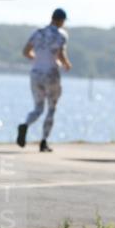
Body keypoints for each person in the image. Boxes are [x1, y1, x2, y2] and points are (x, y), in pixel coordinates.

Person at [17, 8, 71, 152]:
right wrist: (66, 64)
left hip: (36, 73)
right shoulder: (61, 35)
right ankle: (44, 141)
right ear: (61, 21)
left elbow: (25, 51)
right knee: (51, 108)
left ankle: (25, 124)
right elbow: (61, 54)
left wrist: (36, 59)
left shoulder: (38, 32)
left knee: (38, 107)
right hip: (51, 74)